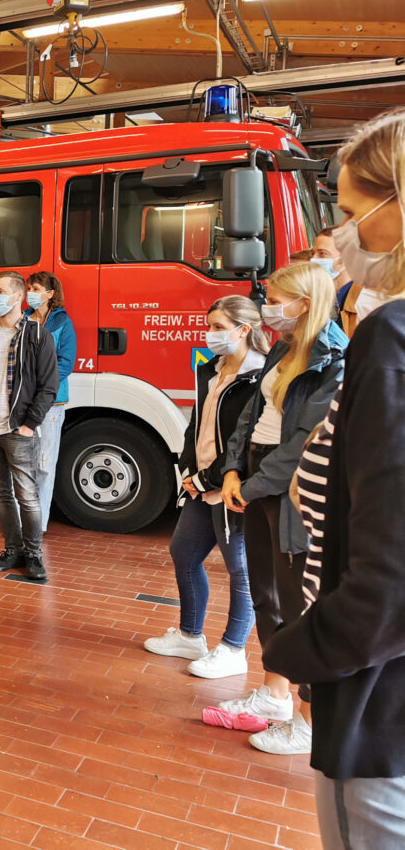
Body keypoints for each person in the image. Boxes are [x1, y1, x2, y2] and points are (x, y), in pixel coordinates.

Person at [264, 108, 405, 848]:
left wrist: (304, 654)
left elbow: (390, 567)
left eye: (352, 214)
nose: (343, 236)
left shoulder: (392, 337)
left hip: (377, 694)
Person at [212, 262, 346, 754]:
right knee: (266, 594)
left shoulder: (334, 361)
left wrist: (250, 486)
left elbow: (304, 446)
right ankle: (275, 694)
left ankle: (310, 718)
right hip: (255, 476)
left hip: (289, 491)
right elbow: (253, 415)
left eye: (274, 297)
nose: (268, 306)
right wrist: (232, 470)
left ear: (304, 303)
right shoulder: (286, 349)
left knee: (299, 603)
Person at [144, 295, 267, 680]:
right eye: (209, 325)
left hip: (230, 486)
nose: (209, 333)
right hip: (199, 483)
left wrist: (206, 479)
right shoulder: (211, 369)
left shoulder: (259, 377)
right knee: (183, 553)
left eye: (217, 327)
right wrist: (186, 469)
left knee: (241, 570)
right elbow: (197, 424)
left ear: (243, 329)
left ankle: (233, 650)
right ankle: (189, 635)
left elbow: (244, 443)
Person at [0, 271, 58, 581]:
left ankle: (33, 554)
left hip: (16, 430)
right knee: (0, 495)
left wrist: (30, 424)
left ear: (19, 297)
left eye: (1, 291)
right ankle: (12, 549)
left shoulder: (37, 335)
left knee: (28, 495)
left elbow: (49, 385)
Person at [23, 272, 76, 532]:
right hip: (21, 403)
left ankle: (38, 525)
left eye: (36, 288)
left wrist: (42, 388)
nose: (30, 292)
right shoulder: (21, 320)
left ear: (50, 293)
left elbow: (66, 363)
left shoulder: (62, 323)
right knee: (22, 464)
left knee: (44, 465)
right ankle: (22, 521)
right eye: (28, 287)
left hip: (51, 405)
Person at [312, 225, 362, 336]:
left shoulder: (364, 302)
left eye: (323, 254)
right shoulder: (315, 296)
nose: (313, 259)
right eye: (313, 253)